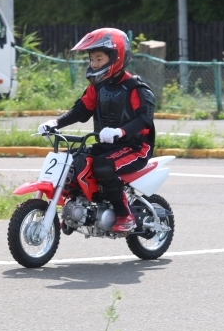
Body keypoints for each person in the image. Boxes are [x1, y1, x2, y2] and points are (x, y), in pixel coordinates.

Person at [37, 28, 155, 233]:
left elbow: (144, 119)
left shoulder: (135, 87)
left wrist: (120, 132)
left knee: (103, 165)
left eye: (99, 59)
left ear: (116, 57)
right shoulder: (97, 87)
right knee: (72, 162)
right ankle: (78, 210)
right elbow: (80, 110)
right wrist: (55, 123)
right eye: (92, 59)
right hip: (107, 145)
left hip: (135, 146)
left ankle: (124, 213)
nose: (94, 64)